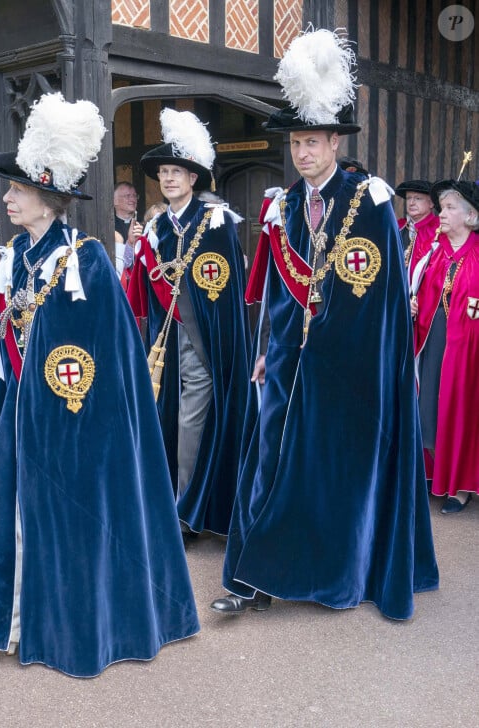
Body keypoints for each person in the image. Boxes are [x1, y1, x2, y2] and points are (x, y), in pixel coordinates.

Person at [0, 93, 199, 677]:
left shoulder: (84, 261)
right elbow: (11, 347)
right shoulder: (18, 257)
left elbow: (101, 360)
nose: (5, 198)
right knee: (3, 513)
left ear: (45, 196)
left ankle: (63, 622)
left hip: (76, 421)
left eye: (15, 190)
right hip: (22, 412)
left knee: (63, 519)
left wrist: (76, 420)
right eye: (6, 190)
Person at [211, 28, 438, 620]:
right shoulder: (281, 206)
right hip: (287, 362)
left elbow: (382, 300)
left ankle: (338, 572)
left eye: (313, 142)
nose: (303, 153)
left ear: (335, 141)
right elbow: (277, 297)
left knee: (337, 475)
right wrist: (267, 349)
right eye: (296, 144)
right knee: (269, 464)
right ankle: (254, 578)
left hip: (349, 368)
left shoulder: (371, 200)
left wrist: (365, 366)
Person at [127, 108, 251, 542]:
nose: (169, 179)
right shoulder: (159, 225)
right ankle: (165, 503)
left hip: (201, 341)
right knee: (166, 418)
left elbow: (225, 292)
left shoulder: (215, 223)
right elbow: (148, 282)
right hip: (166, 338)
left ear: (193, 178)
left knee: (192, 422)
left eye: (177, 171)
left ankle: (187, 510)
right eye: (163, 172)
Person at [411, 177, 479, 514]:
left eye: (450, 208)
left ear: (470, 216)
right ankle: (433, 471)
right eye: (442, 207)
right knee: (429, 408)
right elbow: (421, 293)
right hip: (434, 339)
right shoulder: (434, 254)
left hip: (470, 349)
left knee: (462, 410)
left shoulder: (478, 254)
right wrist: (411, 305)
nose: (441, 213)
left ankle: (461, 487)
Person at [395, 180, 440, 283]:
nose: (411, 203)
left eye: (418, 198)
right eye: (409, 198)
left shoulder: (439, 229)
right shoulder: (398, 226)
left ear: (431, 203)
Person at [114, 181, 139, 271]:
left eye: (134, 196)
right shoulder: (109, 227)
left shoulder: (143, 226)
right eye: (127, 196)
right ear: (115, 201)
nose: (133, 200)